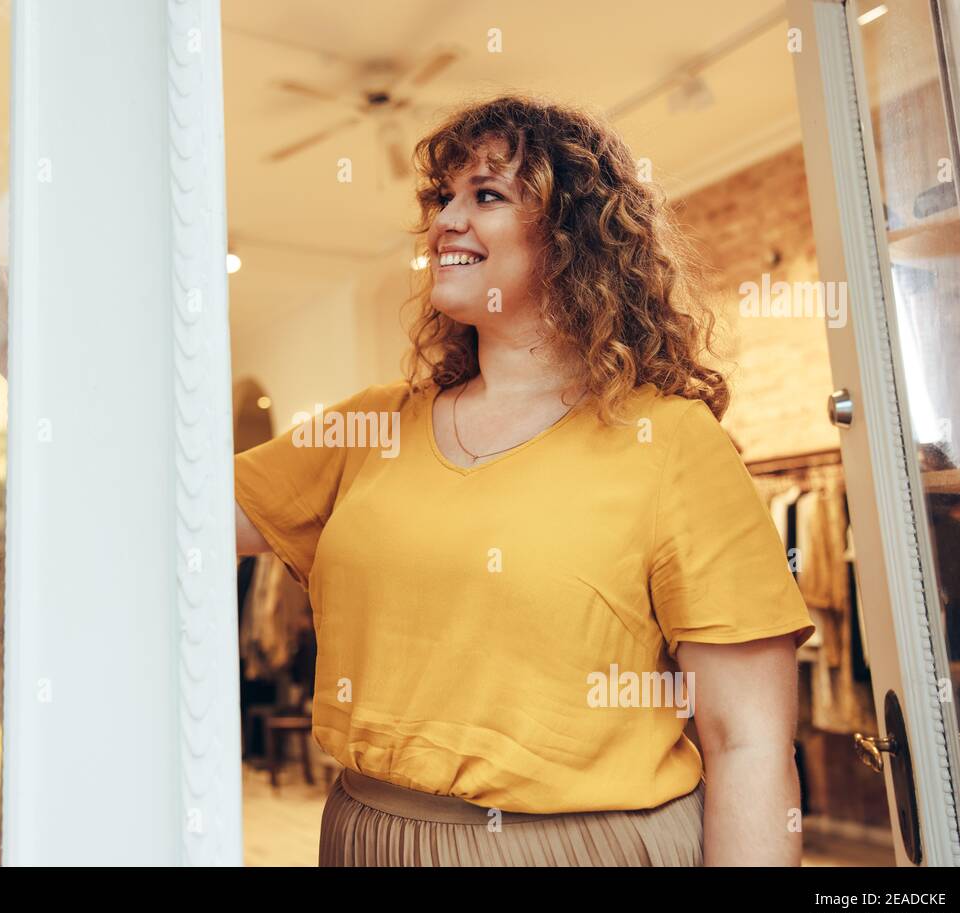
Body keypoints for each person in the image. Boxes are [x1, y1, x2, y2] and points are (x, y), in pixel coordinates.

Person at [234, 95, 815, 866]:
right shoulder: (370, 428)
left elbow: (748, 741)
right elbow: (168, 518)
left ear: (572, 236)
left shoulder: (672, 441)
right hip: (370, 836)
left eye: (487, 195)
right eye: (444, 197)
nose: (446, 219)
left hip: (586, 847)